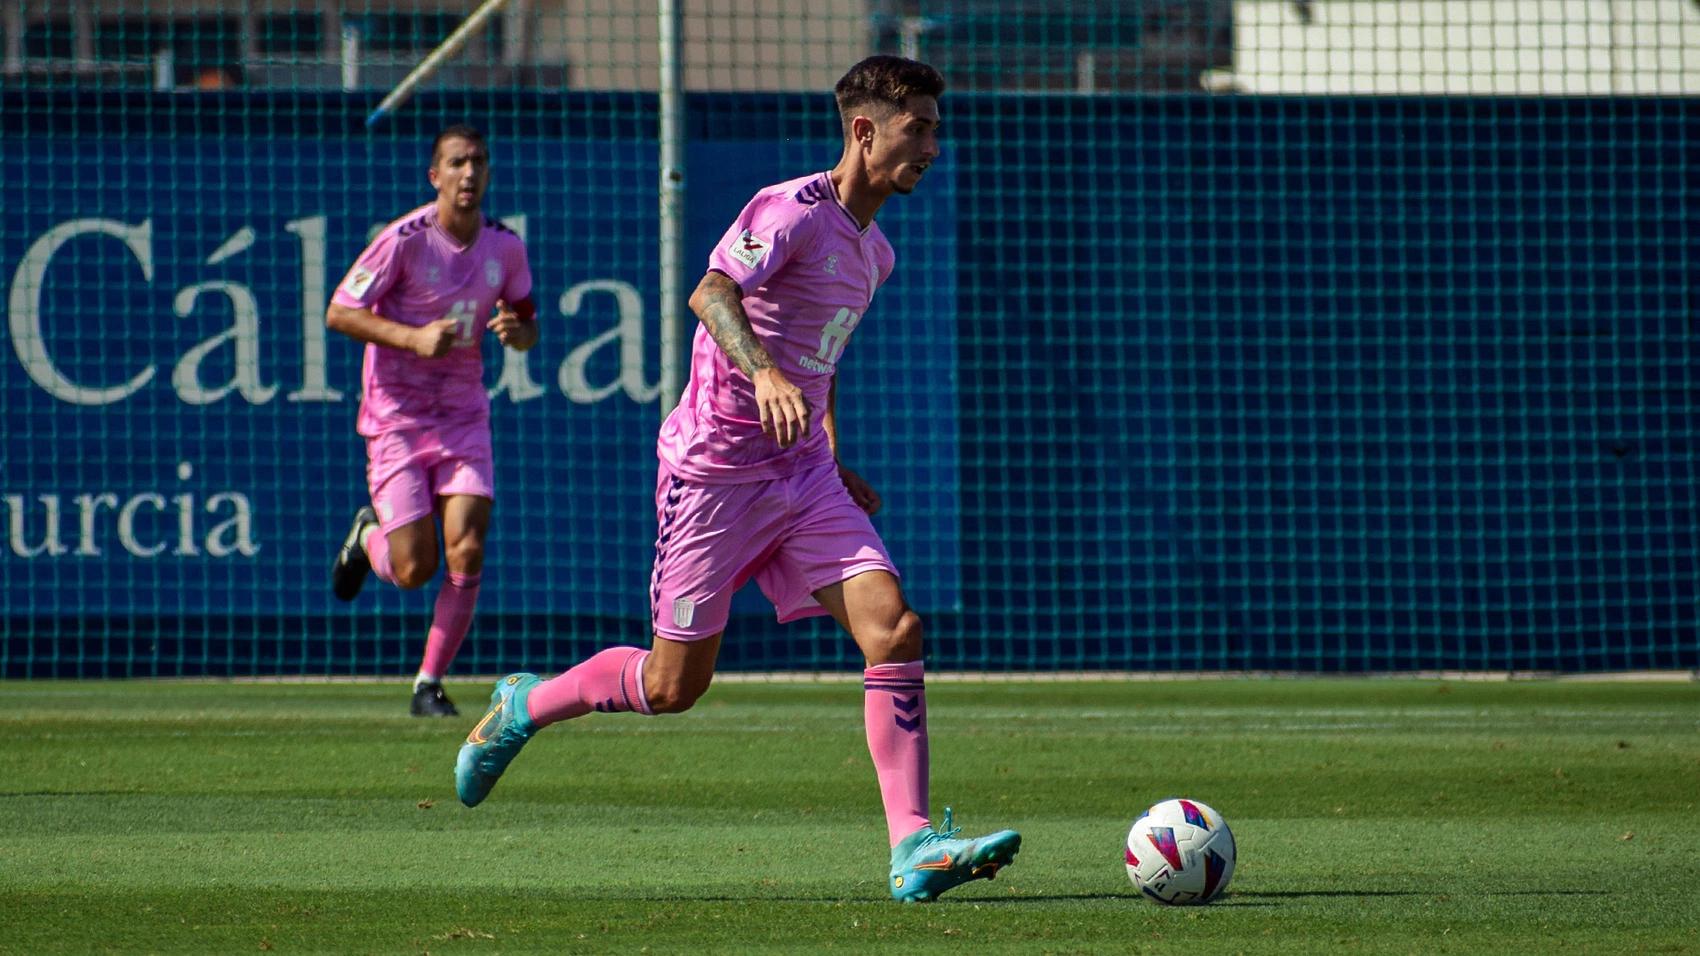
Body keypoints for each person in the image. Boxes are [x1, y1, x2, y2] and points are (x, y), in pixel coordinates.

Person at [451, 57, 1019, 902]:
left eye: (935, 127)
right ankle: (527, 704)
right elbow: (712, 293)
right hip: (712, 478)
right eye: (920, 127)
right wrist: (762, 375)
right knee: (673, 686)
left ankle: (911, 848)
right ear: (865, 130)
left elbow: (816, 365)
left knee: (895, 631)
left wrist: (828, 446)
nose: (934, 144)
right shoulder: (791, 209)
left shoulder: (879, 253)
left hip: (804, 478)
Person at [326, 124, 538, 718]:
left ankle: (428, 682)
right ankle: (367, 541)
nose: (469, 173)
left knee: (467, 550)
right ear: (435, 176)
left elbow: (526, 325)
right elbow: (340, 311)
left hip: (463, 416)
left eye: (478, 161)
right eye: (456, 163)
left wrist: (519, 334)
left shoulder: (505, 247)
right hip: (396, 417)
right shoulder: (403, 240)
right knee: (415, 567)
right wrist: (411, 338)